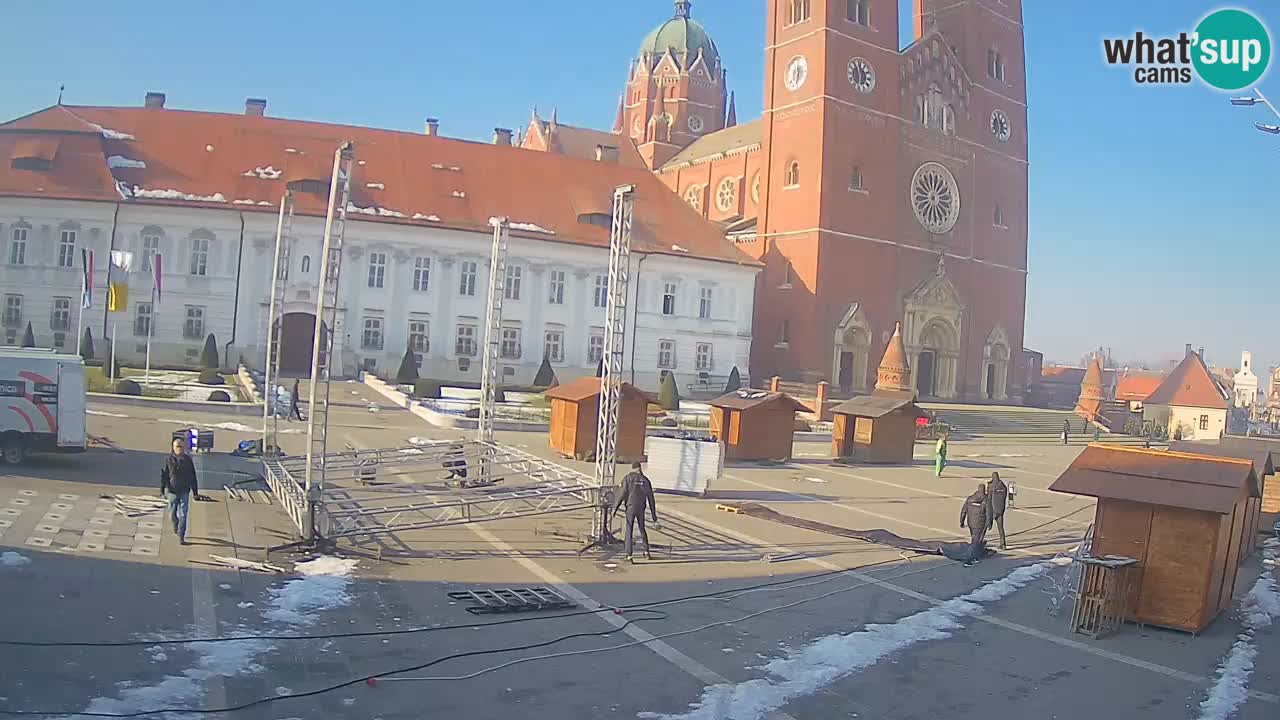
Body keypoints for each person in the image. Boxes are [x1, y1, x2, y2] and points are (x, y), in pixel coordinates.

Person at [160, 437, 207, 545]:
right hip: (172, 491)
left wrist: (195, 492)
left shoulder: (187, 460)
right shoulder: (168, 460)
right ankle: (176, 525)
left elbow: (192, 476)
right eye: (177, 446)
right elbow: (164, 475)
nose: (179, 449)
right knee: (172, 514)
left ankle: (181, 535)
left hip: (184, 491)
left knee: (183, 515)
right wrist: (162, 489)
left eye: (181, 447)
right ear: (173, 447)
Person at [612, 462, 658, 561]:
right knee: (642, 528)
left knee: (629, 529)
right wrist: (654, 516)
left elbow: (622, 494)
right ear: (639, 468)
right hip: (641, 508)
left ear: (632, 468)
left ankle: (629, 555)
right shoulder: (645, 480)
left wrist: (614, 509)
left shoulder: (628, 478)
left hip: (630, 507)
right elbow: (651, 498)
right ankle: (646, 552)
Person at [959, 482, 990, 565]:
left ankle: (975, 552)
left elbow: (963, 511)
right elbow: (989, 513)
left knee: (974, 537)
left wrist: (961, 521)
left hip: (970, 523)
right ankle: (970, 558)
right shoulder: (986, 500)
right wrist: (989, 523)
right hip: (980, 524)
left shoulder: (970, 498)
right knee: (975, 540)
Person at [987, 472, 1009, 551]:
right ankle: (1003, 544)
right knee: (1001, 528)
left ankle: (977, 544)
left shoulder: (991, 486)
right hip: (1000, 510)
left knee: (985, 526)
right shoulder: (1003, 486)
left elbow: (989, 498)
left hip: (993, 509)